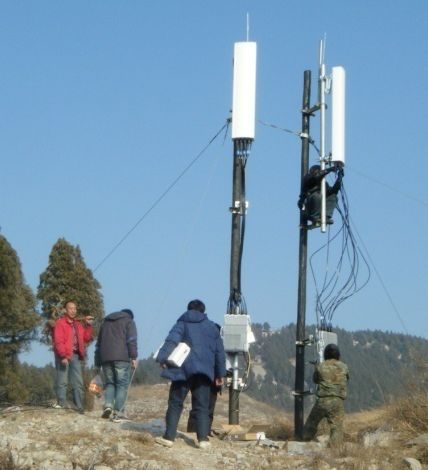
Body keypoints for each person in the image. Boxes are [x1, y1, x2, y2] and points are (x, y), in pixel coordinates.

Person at [155, 299, 226, 450]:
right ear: (203, 311)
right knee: (202, 407)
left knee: (175, 403)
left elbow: (171, 341)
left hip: (182, 371)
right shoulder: (212, 328)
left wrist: (162, 358)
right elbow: (219, 353)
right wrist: (220, 374)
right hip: (204, 373)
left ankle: (169, 437)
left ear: (188, 310)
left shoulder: (182, 323)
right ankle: (203, 440)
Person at [94, 309, 138, 422]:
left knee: (110, 383)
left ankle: (108, 405)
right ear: (130, 316)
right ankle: (119, 412)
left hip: (105, 357)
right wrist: (133, 357)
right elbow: (131, 340)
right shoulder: (129, 322)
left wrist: (97, 362)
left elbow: (98, 344)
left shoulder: (105, 323)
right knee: (122, 384)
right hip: (121, 357)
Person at [302, 343, 350, 446]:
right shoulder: (344, 366)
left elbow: (315, 380)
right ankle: (334, 447)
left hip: (322, 401)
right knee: (336, 427)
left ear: (326, 354)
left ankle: (304, 440)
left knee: (312, 422)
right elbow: (346, 379)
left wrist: (316, 368)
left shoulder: (321, 366)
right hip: (337, 401)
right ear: (338, 354)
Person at [53, 300, 94, 412]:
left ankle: (79, 407)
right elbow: (58, 341)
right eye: (70, 308)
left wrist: (89, 326)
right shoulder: (60, 323)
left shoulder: (78, 325)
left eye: (75, 308)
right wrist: (63, 356)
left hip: (75, 356)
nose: (73, 310)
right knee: (62, 381)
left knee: (78, 383)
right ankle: (61, 404)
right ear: (65, 310)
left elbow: (86, 338)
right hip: (63, 356)